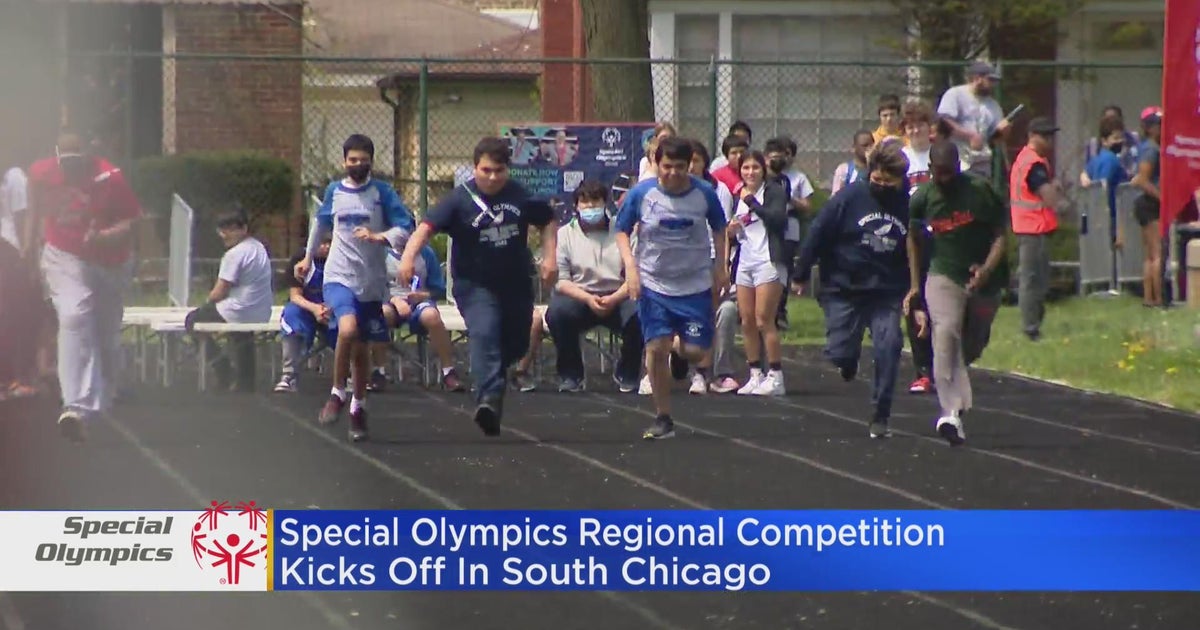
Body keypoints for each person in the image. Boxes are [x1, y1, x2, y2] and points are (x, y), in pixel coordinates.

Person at [397, 136, 557, 437]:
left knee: (516, 343)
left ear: (507, 170)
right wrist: (408, 258)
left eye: (498, 171)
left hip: (515, 283)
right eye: (486, 171)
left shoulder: (520, 195)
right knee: (485, 332)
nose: (492, 177)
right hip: (474, 284)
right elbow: (425, 229)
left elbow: (548, 221)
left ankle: (493, 375)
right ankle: (488, 400)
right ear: (475, 169)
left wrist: (549, 258)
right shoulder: (459, 199)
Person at [297, 134, 415, 442]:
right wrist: (308, 258)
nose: (358, 165)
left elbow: (407, 227)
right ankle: (337, 392)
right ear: (344, 161)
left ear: (371, 163)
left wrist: (381, 236)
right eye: (353, 160)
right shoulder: (334, 192)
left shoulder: (382, 193)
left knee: (361, 348)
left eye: (364, 160)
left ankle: (358, 407)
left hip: (371, 281)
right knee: (347, 331)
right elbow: (319, 226)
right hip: (339, 275)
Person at [791, 141, 912, 439]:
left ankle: (880, 412)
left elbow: (920, 246)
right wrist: (801, 273)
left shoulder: (907, 204)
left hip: (886, 290)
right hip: (844, 287)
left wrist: (916, 288)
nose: (882, 186)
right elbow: (818, 232)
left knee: (889, 344)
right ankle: (849, 359)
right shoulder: (849, 198)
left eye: (889, 181)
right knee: (839, 353)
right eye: (877, 180)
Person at [27, 129, 142, 441]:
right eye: (66, 163)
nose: (71, 170)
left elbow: (130, 223)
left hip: (110, 260)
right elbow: (35, 213)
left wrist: (103, 237)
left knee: (105, 337)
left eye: (76, 163)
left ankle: (104, 391)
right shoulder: (41, 173)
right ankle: (75, 406)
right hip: (64, 254)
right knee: (75, 316)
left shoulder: (110, 178)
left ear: (87, 158)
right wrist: (29, 255)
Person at [615, 136, 728, 440]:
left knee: (695, 351)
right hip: (654, 283)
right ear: (656, 164)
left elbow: (720, 227)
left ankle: (679, 350)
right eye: (667, 167)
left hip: (694, 284)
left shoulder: (704, 193)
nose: (673, 173)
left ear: (689, 165)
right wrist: (631, 269)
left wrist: (721, 267)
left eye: (680, 167)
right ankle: (663, 416)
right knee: (654, 347)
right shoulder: (642, 193)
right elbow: (622, 231)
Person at [906, 141, 1008, 447]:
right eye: (939, 174)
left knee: (972, 344)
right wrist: (914, 285)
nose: (945, 179)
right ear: (930, 171)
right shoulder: (923, 198)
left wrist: (986, 270)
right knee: (945, 331)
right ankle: (950, 412)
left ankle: (958, 398)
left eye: (950, 173)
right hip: (944, 272)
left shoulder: (979, 191)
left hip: (985, 277)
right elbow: (911, 240)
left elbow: (1001, 235)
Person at [546, 181, 643, 393]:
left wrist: (615, 298)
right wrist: (588, 299)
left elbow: (635, 276)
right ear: (576, 206)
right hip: (580, 296)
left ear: (605, 203)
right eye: (585, 202)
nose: (590, 207)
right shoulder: (564, 235)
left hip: (619, 295)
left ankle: (627, 373)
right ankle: (571, 375)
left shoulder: (623, 231)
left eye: (595, 201)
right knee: (557, 313)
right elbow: (562, 281)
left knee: (641, 314)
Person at [185, 210, 274, 392]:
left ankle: (222, 368)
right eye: (223, 229)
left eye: (231, 229)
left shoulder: (234, 254)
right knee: (242, 334)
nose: (225, 234)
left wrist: (206, 303)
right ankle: (246, 380)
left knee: (192, 321)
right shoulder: (258, 247)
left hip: (239, 309)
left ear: (244, 229)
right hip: (261, 309)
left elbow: (219, 291)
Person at [728, 151, 789, 396]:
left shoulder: (773, 192)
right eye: (745, 168)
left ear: (763, 170)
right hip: (746, 261)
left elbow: (776, 220)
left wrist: (752, 201)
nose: (750, 172)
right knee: (747, 320)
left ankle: (776, 376)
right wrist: (733, 230)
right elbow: (740, 227)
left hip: (768, 260)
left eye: (755, 167)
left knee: (764, 319)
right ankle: (755, 374)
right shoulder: (738, 195)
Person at [379, 241, 465, 392]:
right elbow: (374, 287)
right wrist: (394, 300)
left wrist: (422, 295)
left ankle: (448, 371)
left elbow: (439, 290)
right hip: (391, 301)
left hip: (420, 302)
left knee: (431, 316)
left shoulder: (426, 253)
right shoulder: (382, 254)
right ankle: (377, 371)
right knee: (380, 315)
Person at [1008, 117, 1062, 340]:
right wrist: (1056, 189)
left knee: (1034, 278)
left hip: (1028, 226)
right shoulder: (1035, 164)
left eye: (1051, 136)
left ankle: (1033, 324)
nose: (1050, 141)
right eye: (1045, 136)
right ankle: (1031, 328)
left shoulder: (1024, 158)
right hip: (1033, 227)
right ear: (1033, 136)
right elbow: (1048, 197)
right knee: (1033, 280)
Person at [901, 100, 936, 394]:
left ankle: (942, 365)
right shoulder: (901, 159)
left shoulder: (944, 156)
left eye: (920, 125)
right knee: (914, 302)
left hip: (940, 238)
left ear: (930, 128)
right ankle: (922, 369)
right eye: (910, 126)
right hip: (911, 240)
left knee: (940, 304)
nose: (915, 130)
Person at [274, 233, 333, 393]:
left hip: (333, 308)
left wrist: (330, 308)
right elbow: (295, 296)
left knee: (350, 322)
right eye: (322, 242)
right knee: (291, 316)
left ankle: (350, 374)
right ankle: (289, 374)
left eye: (330, 243)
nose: (326, 247)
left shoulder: (343, 261)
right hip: (307, 307)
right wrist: (315, 309)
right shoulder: (301, 259)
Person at [937, 61, 1010, 178]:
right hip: (956, 160)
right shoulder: (955, 94)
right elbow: (944, 122)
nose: (993, 84)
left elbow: (992, 140)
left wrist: (1002, 132)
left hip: (982, 164)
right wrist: (969, 136)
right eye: (990, 80)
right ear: (978, 78)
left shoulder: (993, 106)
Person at [1080, 115, 1131, 255]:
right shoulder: (1111, 161)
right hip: (1111, 219)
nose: (1120, 141)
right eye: (1115, 138)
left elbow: (1084, 174)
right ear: (1104, 141)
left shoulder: (1097, 159)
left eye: (1121, 137)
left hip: (1100, 219)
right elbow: (1103, 188)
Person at [1130, 107, 1163, 308]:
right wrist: (1162, 199)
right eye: (1160, 125)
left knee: (1150, 254)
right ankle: (1158, 298)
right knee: (1157, 253)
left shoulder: (1146, 147)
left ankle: (1148, 298)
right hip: (1150, 204)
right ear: (1150, 128)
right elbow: (1142, 179)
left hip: (1145, 203)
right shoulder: (1151, 149)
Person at [831, 130, 875, 195]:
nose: (869, 148)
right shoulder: (844, 170)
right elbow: (835, 197)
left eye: (871, 145)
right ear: (854, 148)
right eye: (865, 145)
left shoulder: (878, 169)